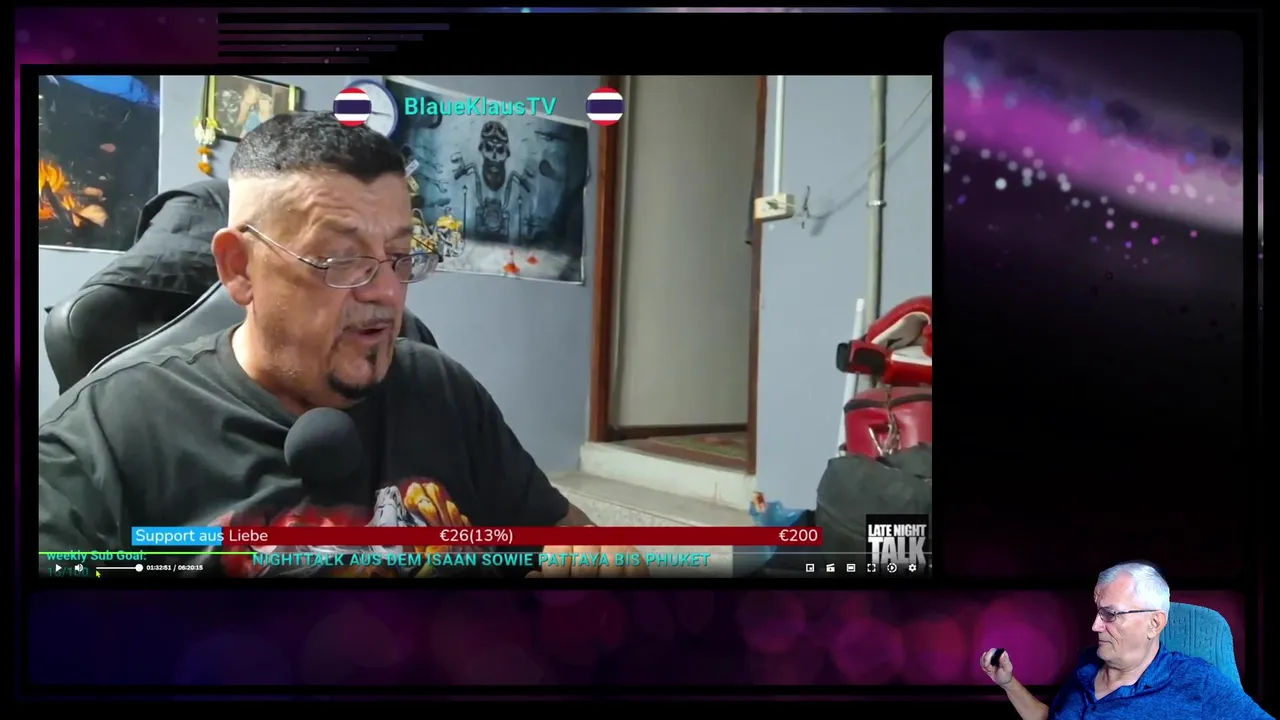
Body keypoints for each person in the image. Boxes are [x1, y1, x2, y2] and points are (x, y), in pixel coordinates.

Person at [38, 113, 645, 579]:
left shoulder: (442, 388)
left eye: (401, 255)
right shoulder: (98, 439)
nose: (386, 292)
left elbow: (564, 535)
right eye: (341, 259)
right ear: (240, 268)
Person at [981, 561, 1270, 719]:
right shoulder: (1087, 666)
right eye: (1098, 612)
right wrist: (1008, 682)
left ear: (1154, 624)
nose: (1095, 625)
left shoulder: (1197, 681)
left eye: (1110, 614)